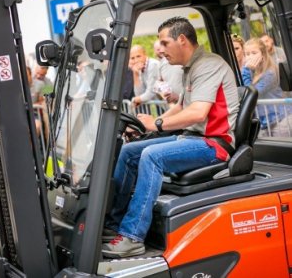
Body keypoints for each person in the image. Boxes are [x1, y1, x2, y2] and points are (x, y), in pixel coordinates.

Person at [102, 17, 239, 258]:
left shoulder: (208, 66)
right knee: (129, 151)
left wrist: (157, 122)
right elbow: (180, 108)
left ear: (182, 39)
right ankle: (113, 225)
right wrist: (151, 127)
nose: (161, 50)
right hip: (192, 139)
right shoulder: (191, 68)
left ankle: (133, 236)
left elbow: (197, 112)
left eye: (165, 43)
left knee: (151, 156)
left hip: (213, 144)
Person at [242, 38, 288, 136]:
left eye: (254, 53)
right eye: (247, 54)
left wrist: (246, 70)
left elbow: (252, 94)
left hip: (280, 119)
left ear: (263, 54)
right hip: (264, 121)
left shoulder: (270, 72)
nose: (250, 57)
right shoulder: (252, 71)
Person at [153, 39, 183, 104]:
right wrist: (160, 91)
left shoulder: (182, 59)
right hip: (173, 106)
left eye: (164, 47)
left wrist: (179, 97)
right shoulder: (161, 63)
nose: (161, 51)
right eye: (158, 49)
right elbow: (159, 84)